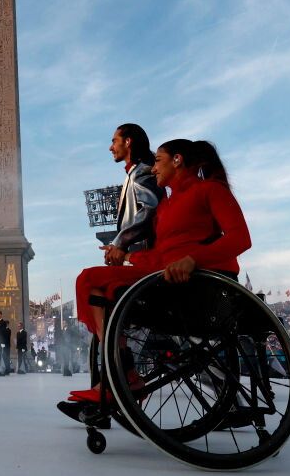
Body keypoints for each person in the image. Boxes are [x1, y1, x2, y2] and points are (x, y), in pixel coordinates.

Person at [66, 139, 251, 407]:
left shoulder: (211, 190)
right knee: (93, 282)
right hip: (164, 279)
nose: (153, 169)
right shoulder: (165, 207)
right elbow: (161, 256)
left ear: (177, 160)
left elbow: (240, 239)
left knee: (92, 281)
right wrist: (127, 256)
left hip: (199, 285)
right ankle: (122, 370)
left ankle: (120, 374)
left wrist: (192, 260)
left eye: (158, 161)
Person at [99, 123, 163, 267]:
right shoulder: (134, 173)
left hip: (144, 254)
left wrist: (119, 243)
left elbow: (150, 210)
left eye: (114, 141)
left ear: (127, 142)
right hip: (134, 253)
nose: (111, 148)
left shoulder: (142, 172)